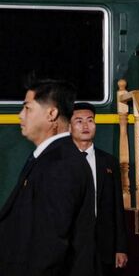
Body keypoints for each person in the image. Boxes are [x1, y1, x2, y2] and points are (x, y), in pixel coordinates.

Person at [0, 79, 96, 276]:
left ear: (52, 114)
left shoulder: (61, 165)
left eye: (27, 108)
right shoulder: (49, 158)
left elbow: (49, 248)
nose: (20, 116)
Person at [71, 102, 128, 276]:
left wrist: (120, 247)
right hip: (71, 245)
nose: (86, 125)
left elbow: (117, 207)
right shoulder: (59, 162)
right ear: (69, 126)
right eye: (79, 121)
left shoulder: (108, 162)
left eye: (90, 120)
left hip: (103, 245)